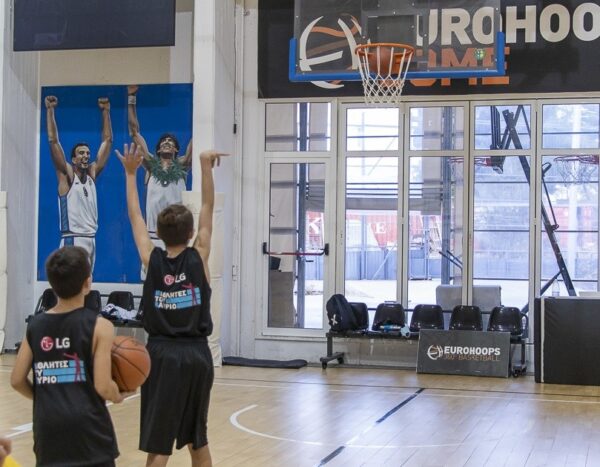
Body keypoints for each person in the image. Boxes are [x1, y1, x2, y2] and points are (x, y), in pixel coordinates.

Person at [117, 142, 225, 467]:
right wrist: (205, 167)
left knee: (159, 444)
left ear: (160, 235)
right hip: (196, 355)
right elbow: (207, 207)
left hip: (161, 354)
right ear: (191, 232)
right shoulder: (199, 255)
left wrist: (131, 173)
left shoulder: (151, 258)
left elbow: (135, 215)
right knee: (197, 439)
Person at [10, 246, 125, 467]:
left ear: (52, 284)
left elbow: (16, 380)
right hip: (89, 429)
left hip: (48, 427)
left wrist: (46, 397)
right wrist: (117, 394)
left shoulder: (35, 325)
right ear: (87, 283)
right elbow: (103, 386)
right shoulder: (101, 327)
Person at [45, 95, 113, 271]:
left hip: (91, 239)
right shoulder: (66, 175)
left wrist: (106, 112)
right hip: (72, 239)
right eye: (81, 153)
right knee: (69, 287)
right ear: (73, 159)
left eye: (88, 153)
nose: (86, 156)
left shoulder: (91, 174)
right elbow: (53, 141)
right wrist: (50, 111)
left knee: (85, 288)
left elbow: (107, 141)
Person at [127, 85, 193, 247]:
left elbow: (197, 137)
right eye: (163, 141)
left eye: (171, 142)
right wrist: (131, 99)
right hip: (154, 234)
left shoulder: (183, 165)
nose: (167, 142)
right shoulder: (150, 166)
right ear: (157, 150)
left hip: (177, 234)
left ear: (177, 149)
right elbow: (134, 133)